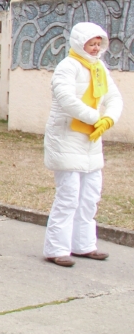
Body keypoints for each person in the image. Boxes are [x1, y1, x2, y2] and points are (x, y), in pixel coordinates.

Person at [42, 22, 123, 267]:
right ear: (80, 43)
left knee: (90, 196)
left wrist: (109, 118)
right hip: (66, 137)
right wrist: (95, 117)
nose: (96, 48)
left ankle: (84, 244)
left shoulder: (99, 68)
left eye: (99, 44)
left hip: (91, 140)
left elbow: (113, 97)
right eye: (92, 43)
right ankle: (57, 248)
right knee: (68, 196)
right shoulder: (67, 67)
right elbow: (66, 99)